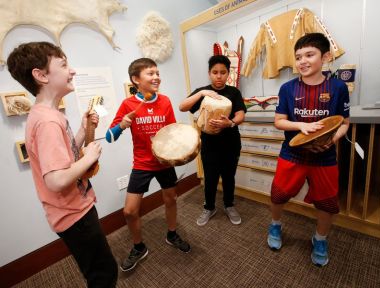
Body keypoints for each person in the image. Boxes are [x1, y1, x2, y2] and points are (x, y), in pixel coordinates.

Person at [7, 42, 117, 287]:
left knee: (100, 269)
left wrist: (81, 130)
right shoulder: (47, 122)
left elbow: (65, 155)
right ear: (41, 75)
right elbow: (55, 179)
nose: (73, 71)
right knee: (104, 274)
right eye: (64, 64)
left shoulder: (49, 115)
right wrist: (89, 157)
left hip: (76, 208)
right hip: (73, 215)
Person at [266, 33, 350, 267]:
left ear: (325, 57)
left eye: (309, 55)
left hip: (325, 158)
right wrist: (300, 125)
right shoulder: (287, 88)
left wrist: (332, 140)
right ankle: (275, 225)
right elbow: (279, 121)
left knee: (327, 203)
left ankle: (320, 239)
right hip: (291, 154)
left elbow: (344, 123)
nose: (302, 61)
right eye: (298, 57)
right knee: (278, 194)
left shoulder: (338, 87)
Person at [106, 58, 190, 272]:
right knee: (129, 211)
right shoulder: (128, 104)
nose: (156, 77)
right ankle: (139, 247)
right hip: (142, 164)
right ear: (136, 79)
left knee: (170, 198)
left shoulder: (165, 101)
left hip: (164, 162)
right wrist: (122, 125)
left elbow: (172, 131)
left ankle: (172, 234)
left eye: (157, 72)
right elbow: (108, 137)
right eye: (150, 74)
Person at [179, 55, 247, 226]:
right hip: (209, 144)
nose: (219, 76)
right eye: (215, 72)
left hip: (231, 143)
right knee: (210, 178)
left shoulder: (234, 92)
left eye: (223, 72)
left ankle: (229, 205)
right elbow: (182, 107)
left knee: (229, 177)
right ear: (209, 73)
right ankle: (209, 207)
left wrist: (230, 123)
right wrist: (202, 93)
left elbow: (241, 114)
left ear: (227, 74)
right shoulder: (204, 92)